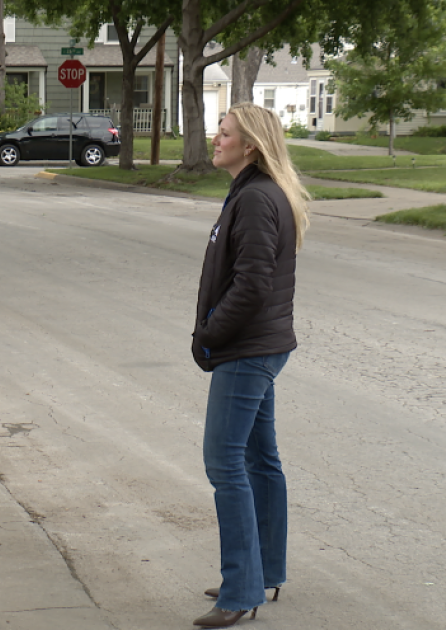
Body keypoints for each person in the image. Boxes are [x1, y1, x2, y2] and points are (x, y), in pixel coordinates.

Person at [190, 102, 310, 628]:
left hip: (248, 349)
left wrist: (211, 333)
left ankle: (241, 590)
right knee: (261, 459)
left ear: (251, 145)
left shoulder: (257, 198)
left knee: (225, 462)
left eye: (224, 133)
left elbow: (253, 283)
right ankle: (263, 571)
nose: (216, 139)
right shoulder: (251, 191)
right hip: (259, 345)